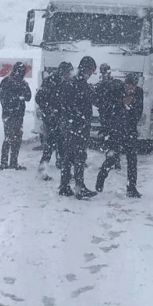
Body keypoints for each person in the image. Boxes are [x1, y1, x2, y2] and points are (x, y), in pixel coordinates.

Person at [95, 73, 143, 197]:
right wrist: (122, 104)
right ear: (125, 84)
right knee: (112, 158)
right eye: (128, 86)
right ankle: (101, 177)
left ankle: (131, 187)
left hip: (130, 131)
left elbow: (138, 113)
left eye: (133, 86)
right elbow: (110, 109)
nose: (130, 89)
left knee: (132, 160)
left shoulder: (138, 93)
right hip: (116, 131)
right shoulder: (116, 90)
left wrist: (130, 108)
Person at [58, 56, 99, 199]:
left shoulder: (71, 83)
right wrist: (80, 120)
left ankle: (64, 186)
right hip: (78, 126)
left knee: (68, 156)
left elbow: (63, 104)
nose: (91, 73)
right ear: (86, 68)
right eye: (91, 70)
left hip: (69, 125)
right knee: (79, 157)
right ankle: (79, 188)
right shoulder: (82, 85)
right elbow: (94, 101)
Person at [35, 61, 72, 180]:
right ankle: (43, 171)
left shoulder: (65, 82)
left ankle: (63, 169)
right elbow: (39, 97)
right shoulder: (50, 81)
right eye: (68, 72)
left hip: (60, 118)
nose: (69, 74)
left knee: (61, 145)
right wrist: (49, 110)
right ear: (63, 71)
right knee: (50, 146)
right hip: (52, 119)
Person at [0, 62, 32, 170]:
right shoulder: (21, 83)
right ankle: (12, 162)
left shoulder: (6, 82)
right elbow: (28, 97)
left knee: (9, 138)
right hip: (15, 115)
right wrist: (19, 97)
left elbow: (3, 100)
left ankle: (5, 163)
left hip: (9, 114)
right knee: (14, 139)